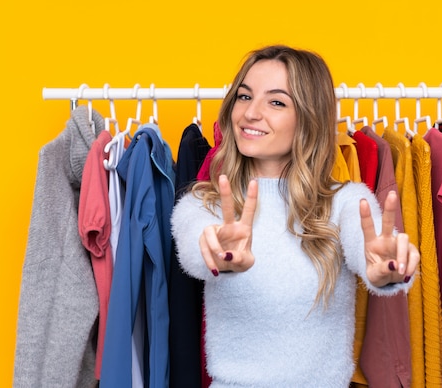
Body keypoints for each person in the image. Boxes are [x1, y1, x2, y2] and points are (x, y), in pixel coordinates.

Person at [170, 45, 420, 387]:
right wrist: (216, 254)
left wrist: (387, 270)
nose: (251, 113)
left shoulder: (347, 203)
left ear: (308, 116)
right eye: (244, 97)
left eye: (276, 102)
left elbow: (372, 252)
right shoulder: (203, 206)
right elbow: (195, 245)